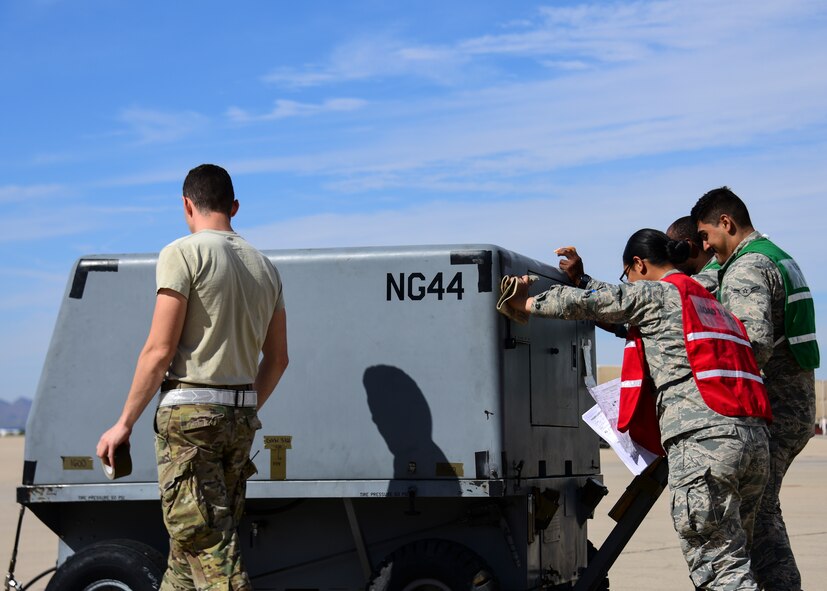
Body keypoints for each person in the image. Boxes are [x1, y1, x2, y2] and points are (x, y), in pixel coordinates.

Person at [503, 230, 771, 590]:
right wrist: (583, 279)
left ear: (639, 264)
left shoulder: (660, 294)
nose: (628, 284)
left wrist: (526, 303)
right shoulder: (707, 300)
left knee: (720, 568)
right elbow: (621, 301)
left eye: (627, 275)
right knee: (736, 558)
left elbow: (598, 303)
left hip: (706, 446)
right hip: (751, 443)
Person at [96, 164, 289, 590]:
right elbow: (277, 360)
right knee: (187, 557)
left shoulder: (182, 253)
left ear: (187, 205)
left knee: (209, 549)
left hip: (189, 420)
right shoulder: (267, 268)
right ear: (234, 207)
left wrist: (122, 423)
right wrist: (242, 406)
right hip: (240, 419)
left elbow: (159, 350)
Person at [691, 187, 818, 591]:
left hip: (775, 409)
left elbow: (753, 342)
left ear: (726, 223)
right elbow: (686, 289)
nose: (706, 246)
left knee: (756, 515)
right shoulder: (773, 255)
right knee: (763, 511)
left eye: (707, 235)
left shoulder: (747, 267)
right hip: (794, 405)